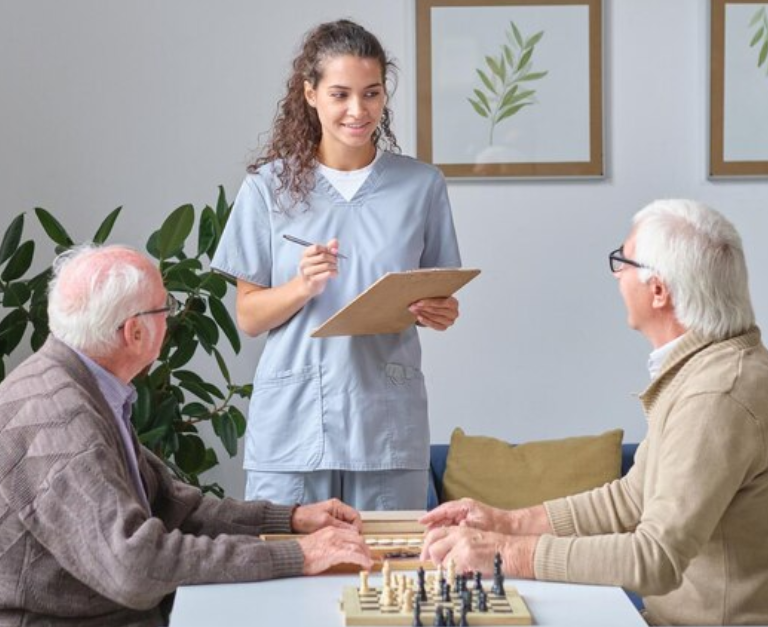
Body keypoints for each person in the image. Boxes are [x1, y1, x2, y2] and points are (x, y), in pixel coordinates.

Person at [419, 199, 768, 626]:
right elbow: (630, 499)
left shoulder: (717, 396)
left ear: (658, 291)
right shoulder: (705, 372)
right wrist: (507, 522)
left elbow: (654, 558)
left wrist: (506, 551)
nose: (617, 274)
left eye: (622, 260)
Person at [0, 244, 372, 627]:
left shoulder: (83, 386)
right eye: (167, 307)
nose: (171, 317)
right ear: (136, 332)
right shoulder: (59, 418)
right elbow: (134, 565)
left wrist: (288, 519)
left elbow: (172, 505)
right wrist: (298, 555)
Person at [211, 19, 462, 510]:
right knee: (285, 576)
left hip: (386, 425)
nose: (357, 110)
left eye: (371, 94)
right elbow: (249, 317)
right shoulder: (267, 188)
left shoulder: (421, 186)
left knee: (392, 577)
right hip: (293, 427)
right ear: (310, 94)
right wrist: (300, 287)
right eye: (341, 94)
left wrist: (442, 312)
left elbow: (442, 297)